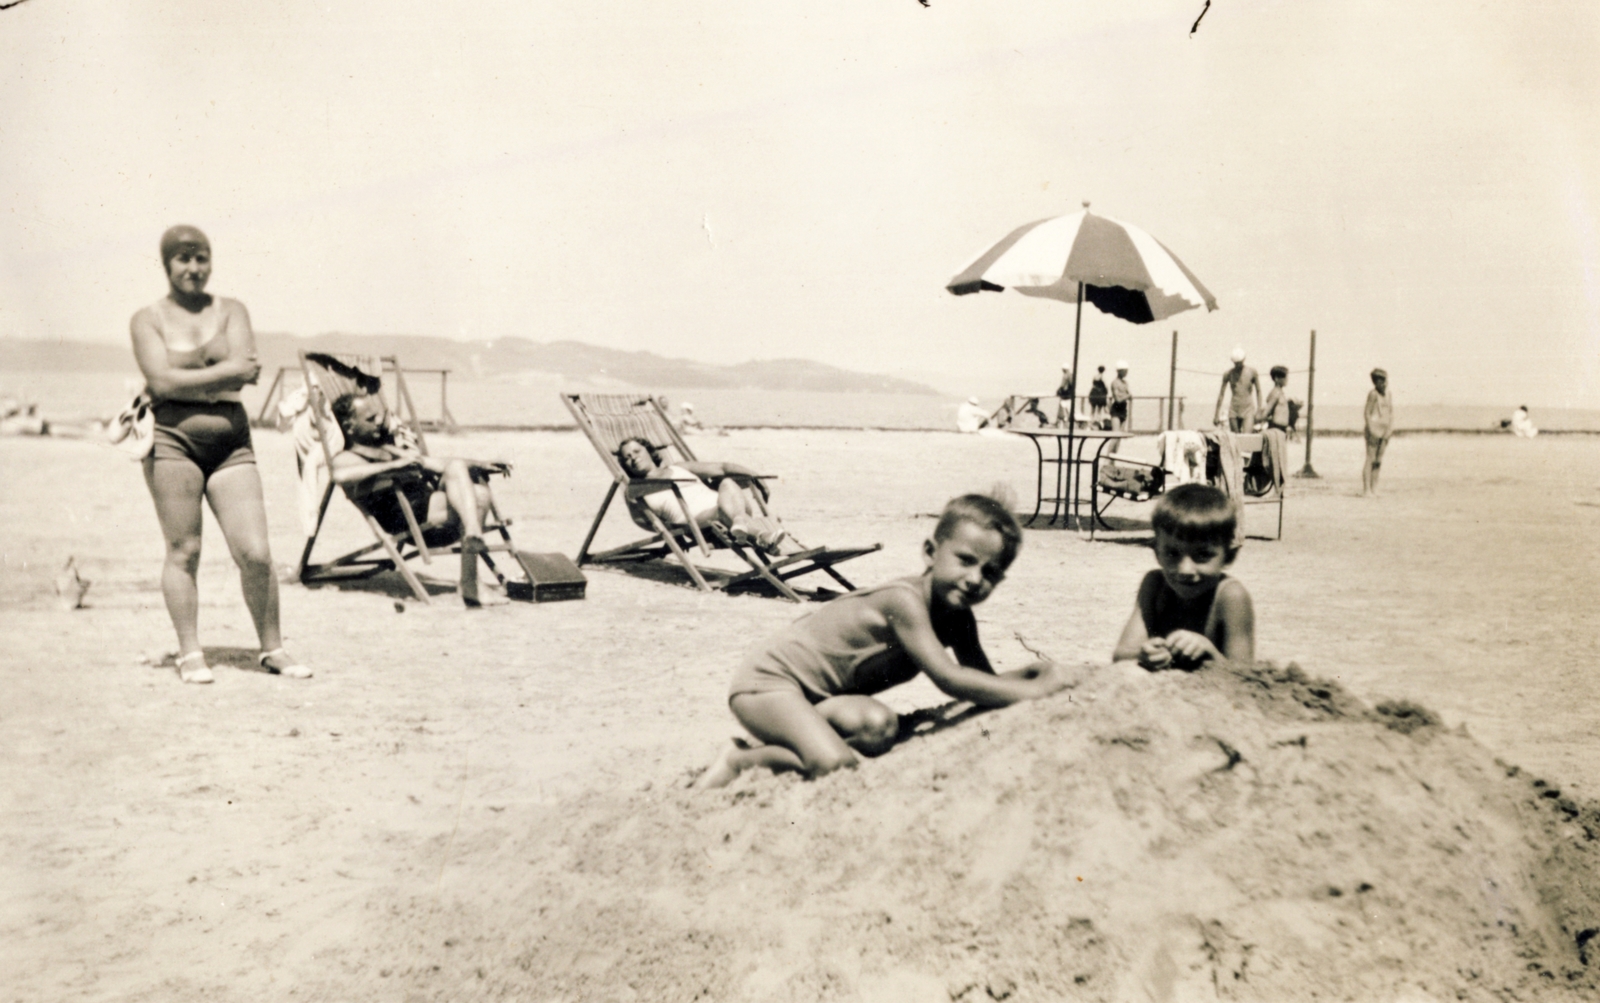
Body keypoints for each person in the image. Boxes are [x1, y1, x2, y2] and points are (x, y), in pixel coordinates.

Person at [695, 493, 1070, 788]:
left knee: (878, 727)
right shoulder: (904, 601)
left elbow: (981, 682)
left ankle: (799, 738)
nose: (975, 579)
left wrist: (1030, 673)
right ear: (930, 551)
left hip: (817, 699)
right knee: (834, 764)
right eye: (965, 560)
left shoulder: (959, 618)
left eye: (991, 573)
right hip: (767, 685)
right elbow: (949, 678)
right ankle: (738, 760)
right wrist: (1037, 692)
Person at [129, 225, 310, 683]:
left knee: (255, 552)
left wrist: (175, 378)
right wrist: (222, 371)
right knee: (183, 550)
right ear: (167, 263)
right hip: (172, 441)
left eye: (202, 258)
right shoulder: (147, 319)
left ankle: (273, 648)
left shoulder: (232, 310)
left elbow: (241, 373)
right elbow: (166, 381)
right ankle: (190, 653)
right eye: (183, 258)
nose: (194, 268)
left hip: (231, 442)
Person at [330, 390, 514, 606]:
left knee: (464, 475)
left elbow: (435, 463)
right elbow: (339, 476)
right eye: (370, 419)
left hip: (428, 509)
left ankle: (472, 537)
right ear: (349, 426)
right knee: (479, 496)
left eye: (378, 416)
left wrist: (480, 463)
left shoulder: (388, 448)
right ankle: (470, 578)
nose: (379, 422)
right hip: (407, 519)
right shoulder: (346, 457)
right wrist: (393, 466)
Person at [1113, 484, 1255, 671]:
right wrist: (1145, 654)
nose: (1185, 569)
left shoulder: (1231, 597)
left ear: (1229, 556)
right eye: (1172, 553)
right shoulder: (1154, 585)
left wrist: (1209, 653)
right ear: (1157, 552)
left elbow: (1246, 676)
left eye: (1202, 555)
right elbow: (1121, 655)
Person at [615, 436, 787, 553]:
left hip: (729, 507)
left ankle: (745, 525)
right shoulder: (636, 489)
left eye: (637, 451)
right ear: (626, 465)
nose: (633, 458)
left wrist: (754, 476)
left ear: (648, 450)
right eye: (627, 457)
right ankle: (759, 534)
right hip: (699, 523)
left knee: (727, 483)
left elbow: (722, 467)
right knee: (725, 509)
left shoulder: (679, 467)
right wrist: (671, 532)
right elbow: (640, 520)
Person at [1362, 368, 1394, 497]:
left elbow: (1391, 413)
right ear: (1375, 382)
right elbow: (1367, 413)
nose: (1384, 384)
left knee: (1378, 461)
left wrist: (1389, 430)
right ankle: (1366, 490)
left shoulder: (1388, 394)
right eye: (1380, 381)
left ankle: (1374, 488)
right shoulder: (1373, 394)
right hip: (1374, 431)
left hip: (1385, 430)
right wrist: (1371, 429)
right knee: (1370, 459)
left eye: (1385, 381)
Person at [1214, 347, 1261, 433]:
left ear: (1244, 359)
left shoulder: (1252, 372)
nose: (1238, 365)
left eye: (1240, 362)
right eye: (1236, 363)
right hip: (1234, 410)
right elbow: (1221, 394)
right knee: (1235, 440)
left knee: (1246, 438)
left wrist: (1259, 411)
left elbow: (1258, 391)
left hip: (1248, 409)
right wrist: (1216, 414)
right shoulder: (1228, 374)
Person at [1261, 366, 1293, 432]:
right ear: (1276, 378)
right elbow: (1266, 412)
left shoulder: (1280, 392)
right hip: (1276, 428)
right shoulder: (1275, 393)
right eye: (1284, 377)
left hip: (1282, 429)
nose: (1287, 379)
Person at [1109, 361, 1132, 432]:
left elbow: (1128, 396)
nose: (1126, 373)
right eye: (1125, 371)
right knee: (1116, 435)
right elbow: (1118, 399)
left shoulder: (1125, 383)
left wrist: (1127, 396)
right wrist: (1127, 396)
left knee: (1120, 436)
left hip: (1123, 409)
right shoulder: (1115, 383)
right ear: (1120, 371)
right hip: (1116, 410)